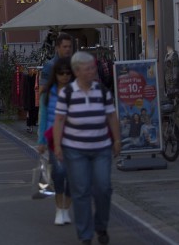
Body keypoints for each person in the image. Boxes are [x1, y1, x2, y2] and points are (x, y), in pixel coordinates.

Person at [53, 52, 121, 245]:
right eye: (89, 68)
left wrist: (117, 140)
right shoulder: (67, 94)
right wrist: (57, 145)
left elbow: (111, 116)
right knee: (81, 191)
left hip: (101, 148)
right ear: (77, 71)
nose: (93, 71)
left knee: (103, 188)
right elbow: (59, 121)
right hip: (75, 150)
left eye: (93, 67)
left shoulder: (102, 91)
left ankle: (101, 225)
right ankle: (85, 235)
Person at [37, 57, 73, 226]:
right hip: (54, 138)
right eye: (61, 73)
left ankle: (67, 208)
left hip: (74, 138)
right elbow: (43, 117)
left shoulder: (76, 91)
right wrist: (41, 140)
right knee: (58, 174)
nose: (65, 76)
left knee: (72, 176)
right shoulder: (48, 92)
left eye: (68, 73)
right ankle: (59, 208)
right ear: (55, 75)